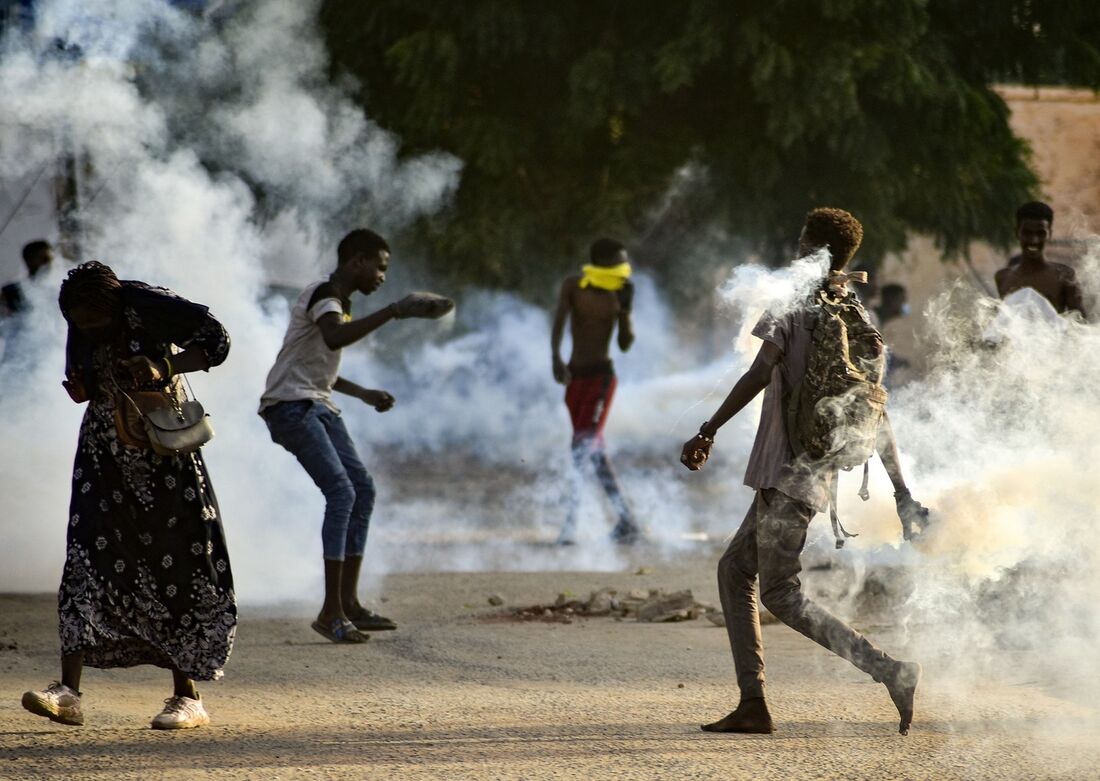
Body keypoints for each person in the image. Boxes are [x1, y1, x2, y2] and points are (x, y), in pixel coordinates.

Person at [680, 208, 927, 736]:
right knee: (733, 570)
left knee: (780, 592)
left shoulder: (792, 304)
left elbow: (758, 372)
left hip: (785, 476)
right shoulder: (854, 314)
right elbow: (877, 412)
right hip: (811, 476)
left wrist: (708, 428)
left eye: (801, 243)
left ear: (814, 251)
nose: (794, 252)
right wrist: (902, 492)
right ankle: (753, 703)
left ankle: (889, 669)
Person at [22, 261, 236, 730]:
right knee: (84, 559)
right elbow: (88, 382)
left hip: (162, 455)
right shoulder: (78, 321)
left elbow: (216, 343)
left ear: (116, 307)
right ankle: (68, 692)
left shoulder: (151, 306)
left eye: (97, 323)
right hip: (103, 458)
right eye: (82, 325)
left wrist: (164, 364)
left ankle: (187, 697)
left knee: (176, 563)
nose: (89, 330)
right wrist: (81, 387)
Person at [259, 229, 453, 644]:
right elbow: (334, 337)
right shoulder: (326, 296)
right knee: (343, 492)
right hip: (291, 408)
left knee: (361, 489)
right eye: (380, 267)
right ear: (357, 262)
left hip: (315, 403)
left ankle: (348, 603)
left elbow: (318, 362)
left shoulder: (337, 302)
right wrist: (394, 312)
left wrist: (362, 393)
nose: (382, 276)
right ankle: (331, 611)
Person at [550, 237, 642, 546]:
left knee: (582, 448)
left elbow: (625, 344)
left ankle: (570, 525)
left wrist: (626, 312)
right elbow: (559, 323)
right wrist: (555, 357)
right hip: (575, 378)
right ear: (600, 263)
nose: (624, 268)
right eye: (618, 262)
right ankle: (627, 520)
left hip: (602, 379)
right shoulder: (573, 286)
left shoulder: (620, 292)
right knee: (592, 452)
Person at [994, 201, 1086, 317]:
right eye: (1027, 233)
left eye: (1040, 233)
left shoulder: (1064, 276)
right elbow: (1001, 323)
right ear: (1017, 233)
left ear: (1049, 234)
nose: (1034, 240)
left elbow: (1081, 326)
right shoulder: (1003, 277)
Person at [1, 239, 54, 316]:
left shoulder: (58, 290)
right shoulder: (11, 291)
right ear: (29, 260)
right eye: (45, 259)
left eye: (50, 259)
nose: (49, 264)